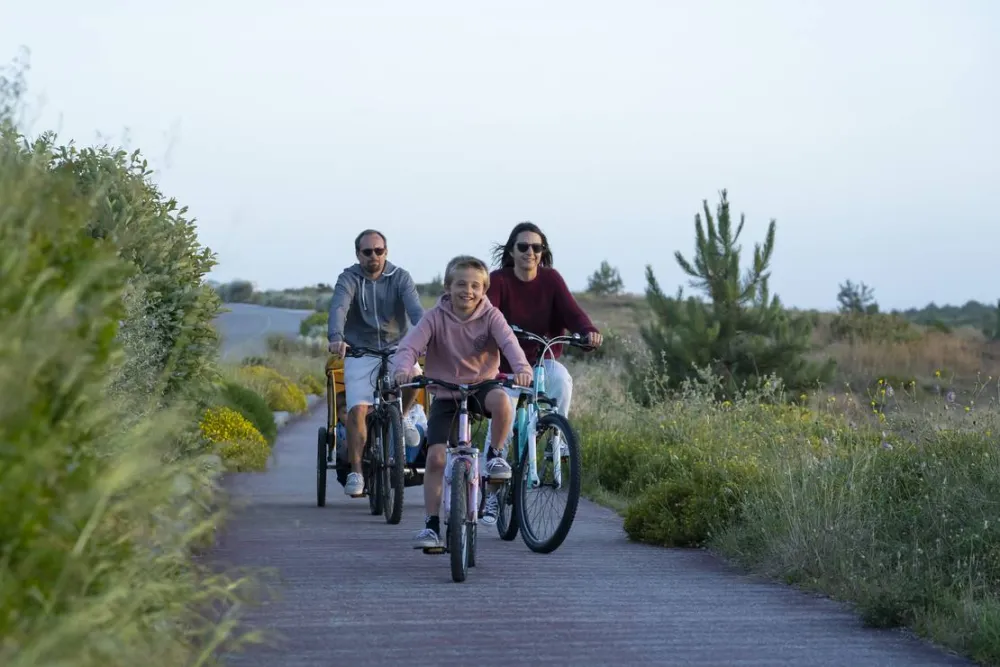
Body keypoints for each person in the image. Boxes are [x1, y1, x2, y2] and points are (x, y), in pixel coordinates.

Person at [390, 255, 533, 550]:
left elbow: (509, 343)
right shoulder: (434, 317)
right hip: (446, 393)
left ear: (484, 290)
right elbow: (410, 346)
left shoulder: (492, 316)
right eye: (460, 284)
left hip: (482, 385)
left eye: (475, 286)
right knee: (436, 458)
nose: (467, 291)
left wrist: (522, 369)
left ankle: (494, 456)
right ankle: (431, 526)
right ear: (447, 286)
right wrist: (403, 369)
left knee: (503, 402)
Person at [481, 221, 603, 511]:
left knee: (561, 378)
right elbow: (488, 314)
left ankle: (555, 437)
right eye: (523, 247)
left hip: (541, 361)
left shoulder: (551, 280)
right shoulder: (499, 280)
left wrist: (588, 331)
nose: (530, 253)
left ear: (543, 251)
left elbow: (573, 313)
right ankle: (491, 498)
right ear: (512, 251)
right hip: (507, 367)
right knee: (501, 423)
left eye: (536, 247)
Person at [328, 229, 425, 498]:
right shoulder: (349, 278)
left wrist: (427, 336)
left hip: (398, 348)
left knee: (415, 377)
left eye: (379, 250)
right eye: (367, 251)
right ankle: (357, 471)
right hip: (361, 351)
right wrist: (337, 338)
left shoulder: (400, 278)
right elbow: (339, 308)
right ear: (358, 254)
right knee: (358, 408)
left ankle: (403, 417)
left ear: (386, 252)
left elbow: (416, 311)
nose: (374, 256)